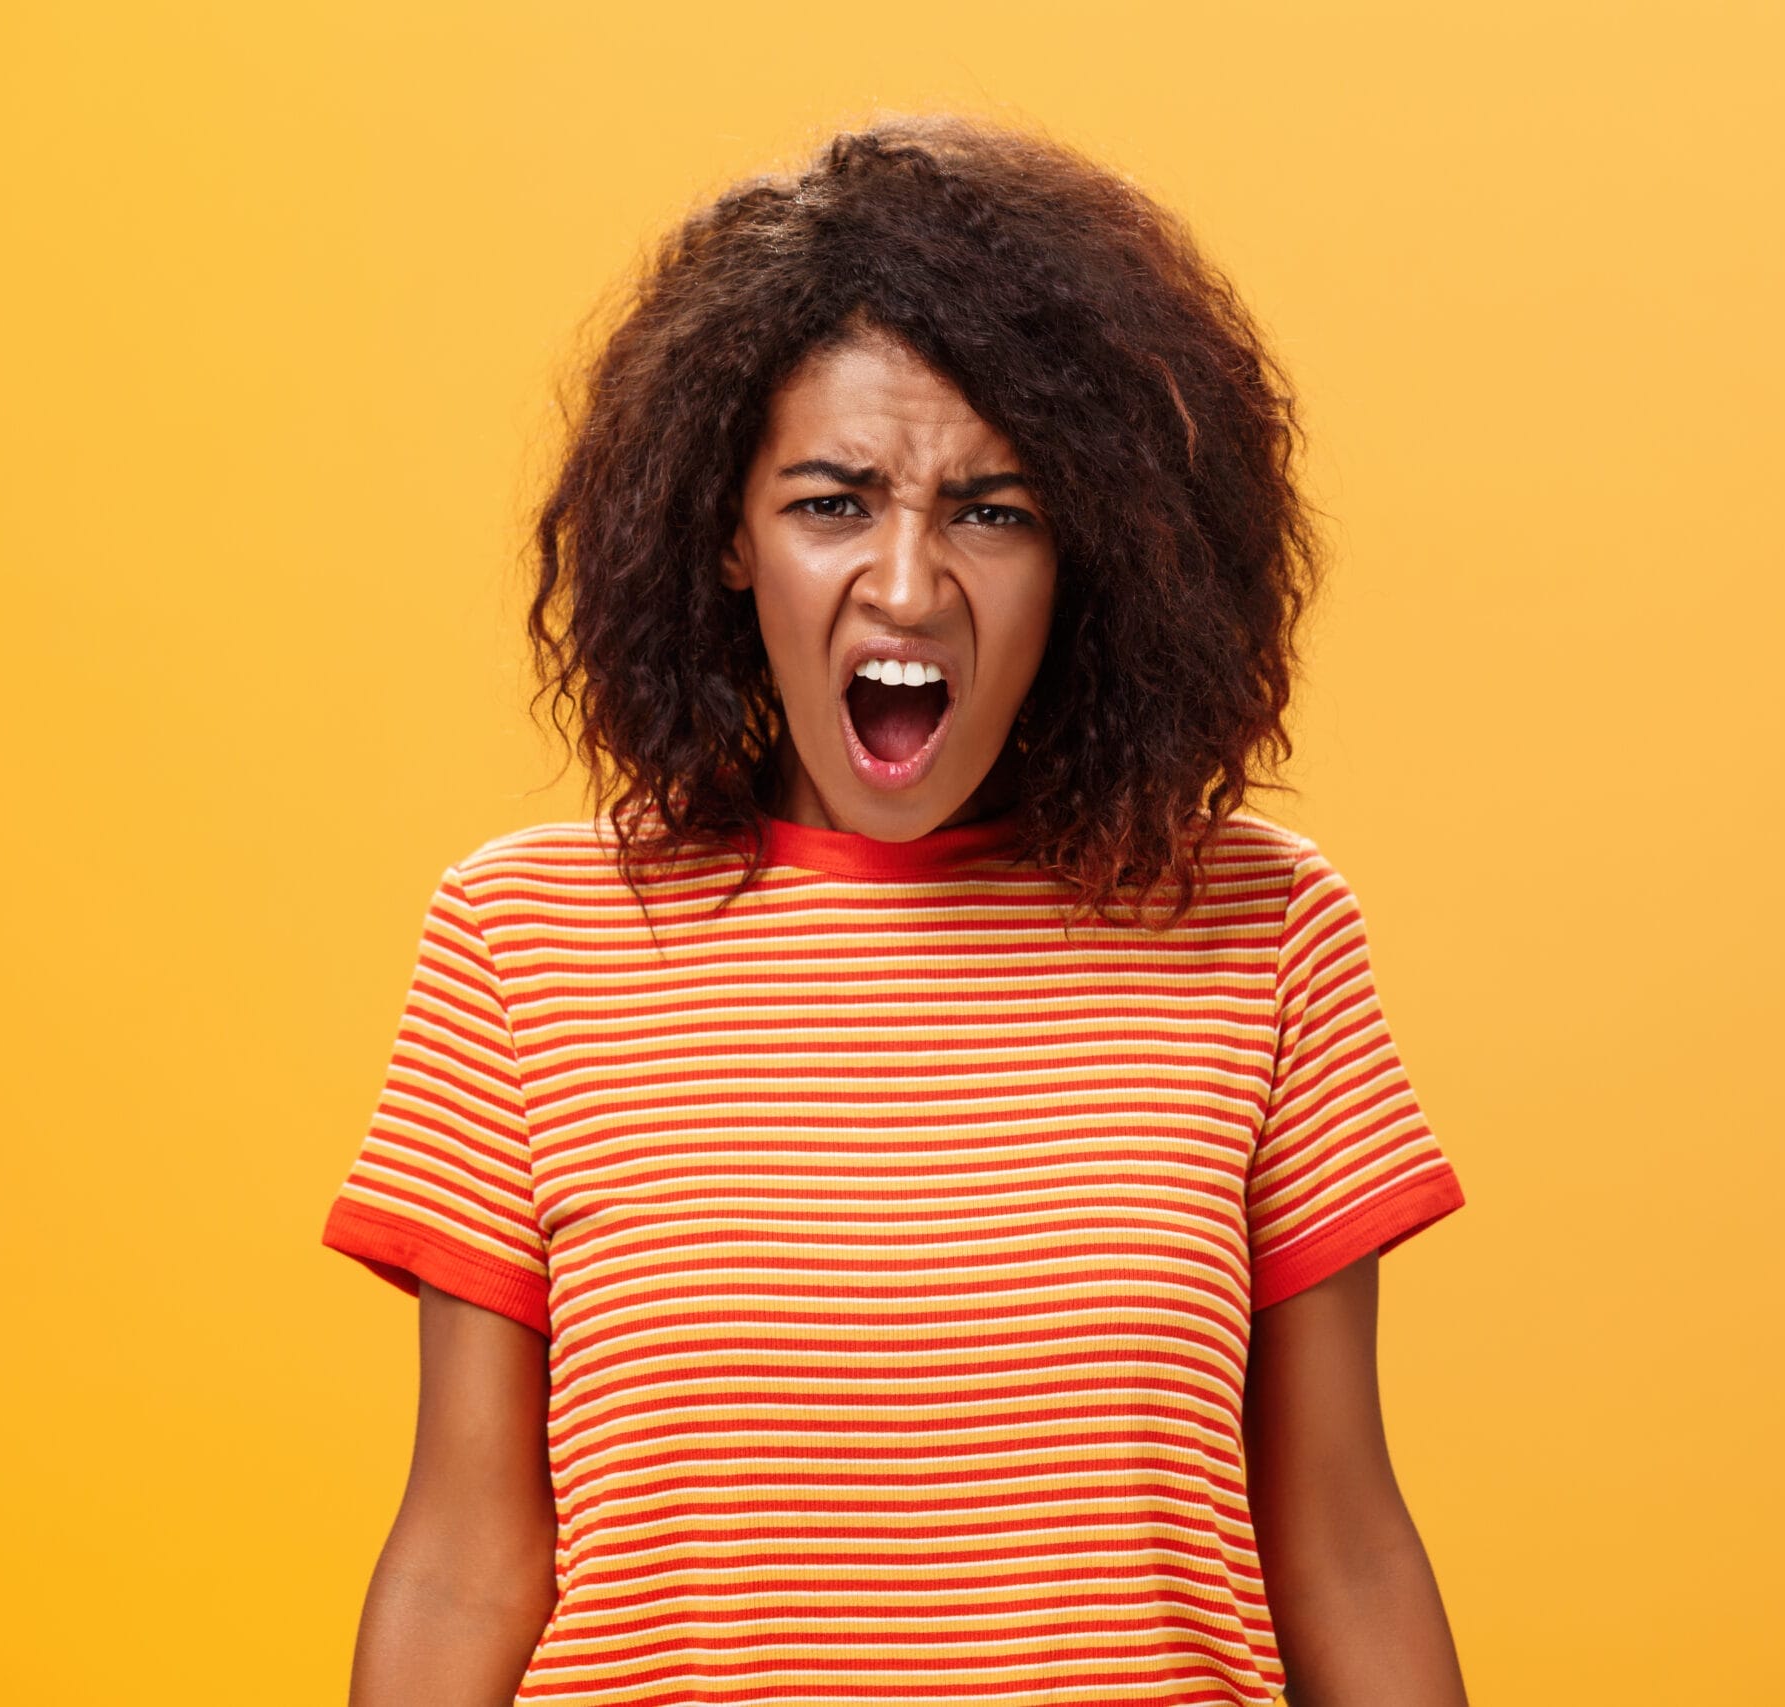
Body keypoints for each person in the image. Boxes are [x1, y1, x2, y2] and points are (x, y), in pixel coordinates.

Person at [319, 111, 1471, 1707]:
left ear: (1091, 555)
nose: (912, 586)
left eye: (995, 511)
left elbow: (1340, 1547)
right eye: (831, 503)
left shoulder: (1258, 929)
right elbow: (464, 1559)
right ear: (727, 537)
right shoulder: (525, 941)